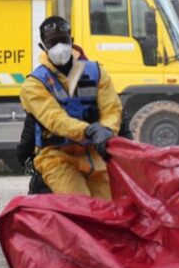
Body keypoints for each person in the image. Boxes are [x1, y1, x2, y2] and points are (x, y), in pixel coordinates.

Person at [19, 17, 122, 199]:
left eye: (63, 40)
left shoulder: (96, 72)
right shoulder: (34, 84)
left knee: (107, 212)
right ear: (43, 46)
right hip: (57, 157)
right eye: (52, 42)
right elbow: (54, 119)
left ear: (71, 41)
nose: (59, 47)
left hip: (94, 155)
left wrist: (107, 130)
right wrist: (89, 131)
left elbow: (112, 109)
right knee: (81, 207)